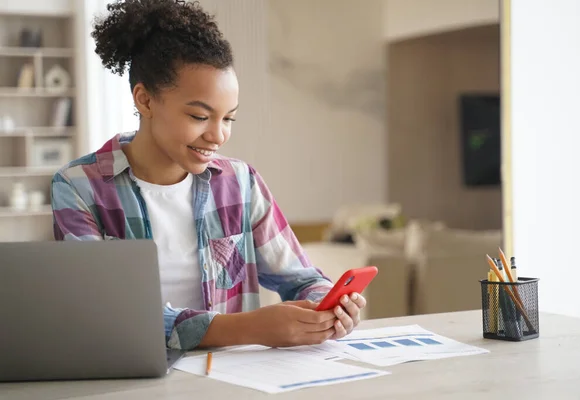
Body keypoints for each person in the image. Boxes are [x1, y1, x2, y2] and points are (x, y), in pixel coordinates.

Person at [50, 0, 367, 351]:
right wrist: (249, 328)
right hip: (130, 378)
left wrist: (329, 307)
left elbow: (303, 280)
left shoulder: (241, 183)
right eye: (200, 117)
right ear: (145, 100)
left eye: (228, 118)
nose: (218, 135)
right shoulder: (78, 186)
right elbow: (105, 312)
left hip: (231, 381)